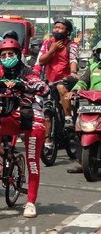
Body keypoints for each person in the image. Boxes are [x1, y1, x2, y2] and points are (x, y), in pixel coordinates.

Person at [0, 38, 48, 218]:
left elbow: (41, 85)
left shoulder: (28, 72)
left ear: (18, 55)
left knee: (32, 162)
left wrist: (25, 85)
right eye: (3, 55)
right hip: (9, 115)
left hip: (31, 119)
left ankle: (30, 202)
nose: (7, 57)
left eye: (11, 54)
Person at [37, 17, 79, 149]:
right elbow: (41, 61)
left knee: (61, 87)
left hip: (65, 81)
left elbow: (73, 60)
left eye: (61, 28)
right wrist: (53, 49)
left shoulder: (72, 45)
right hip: (48, 82)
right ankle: (48, 142)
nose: (57, 30)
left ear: (67, 31)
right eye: (56, 27)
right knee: (47, 112)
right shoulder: (47, 43)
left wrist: (73, 72)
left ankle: (68, 117)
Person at [66, 40, 101, 174]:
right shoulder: (92, 67)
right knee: (80, 129)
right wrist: (74, 92)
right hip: (93, 104)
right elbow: (82, 82)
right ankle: (81, 162)